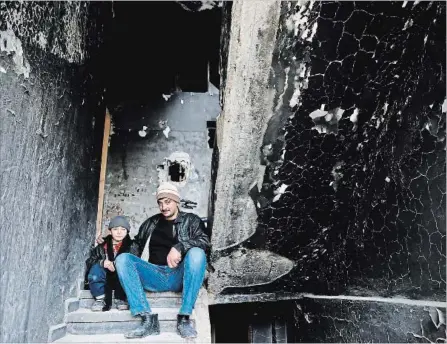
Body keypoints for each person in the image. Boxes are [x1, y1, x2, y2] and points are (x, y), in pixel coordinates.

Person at [113, 182, 210, 339]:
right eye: (160, 202)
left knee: (197, 253)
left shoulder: (192, 220)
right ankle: (147, 319)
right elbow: (134, 247)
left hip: (180, 275)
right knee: (123, 259)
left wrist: (180, 246)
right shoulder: (150, 223)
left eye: (168, 202)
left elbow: (205, 241)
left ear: (176, 201)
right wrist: (111, 242)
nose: (164, 207)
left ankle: (184, 317)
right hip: (155, 274)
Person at [86, 216, 132, 311]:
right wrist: (102, 263)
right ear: (110, 231)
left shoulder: (132, 246)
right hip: (105, 278)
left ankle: (121, 298)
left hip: (121, 280)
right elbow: (90, 262)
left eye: (123, 229)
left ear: (127, 231)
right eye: (115, 229)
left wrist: (117, 265)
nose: (119, 232)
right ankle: (100, 298)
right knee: (95, 269)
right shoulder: (102, 246)